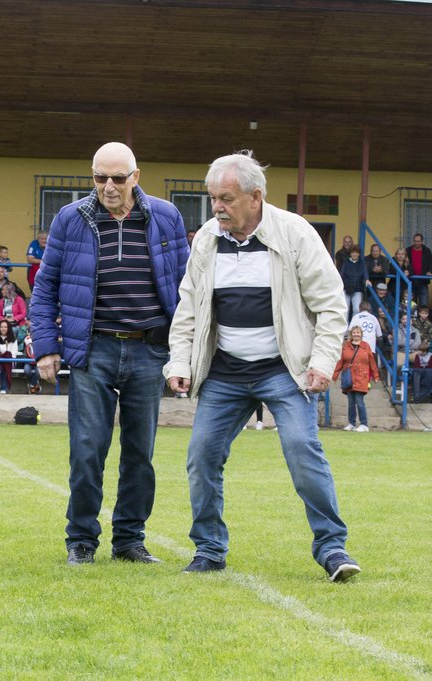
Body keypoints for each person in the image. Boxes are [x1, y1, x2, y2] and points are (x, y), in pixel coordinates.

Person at [164, 150, 361, 582]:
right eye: (213, 197)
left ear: (256, 197)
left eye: (227, 198)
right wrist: (179, 360)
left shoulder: (296, 234)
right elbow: (189, 309)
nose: (217, 207)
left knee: (301, 450)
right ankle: (209, 550)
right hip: (225, 371)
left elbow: (330, 307)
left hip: (284, 370)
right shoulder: (205, 241)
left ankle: (332, 549)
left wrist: (322, 362)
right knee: (201, 456)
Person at [31, 141, 188, 567]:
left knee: (141, 453)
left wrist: (185, 350)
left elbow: (186, 285)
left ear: (136, 177)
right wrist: (46, 347)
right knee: (87, 449)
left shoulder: (166, 217)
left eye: (119, 177)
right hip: (92, 348)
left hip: (149, 350)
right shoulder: (71, 219)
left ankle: (130, 541)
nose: (109, 186)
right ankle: (81, 540)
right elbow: (45, 287)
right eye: (101, 177)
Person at [332, 325, 379, 432]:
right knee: (350, 402)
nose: (356, 334)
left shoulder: (366, 346)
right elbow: (341, 361)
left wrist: (375, 375)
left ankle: (364, 424)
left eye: (358, 333)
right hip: (349, 377)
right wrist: (335, 375)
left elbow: (372, 361)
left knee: (359, 401)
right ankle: (351, 423)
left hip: (362, 377)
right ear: (351, 334)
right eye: (354, 333)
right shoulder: (346, 346)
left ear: (361, 334)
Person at [339, 245, 368, 322]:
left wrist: (367, 279)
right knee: (346, 309)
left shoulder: (362, 263)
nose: (354, 254)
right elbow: (342, 274)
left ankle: (353, 327)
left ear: (359, 254)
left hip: (358, 289)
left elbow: (365, 272)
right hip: (346, 288)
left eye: (356, 253)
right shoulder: (346, 262)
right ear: (350, 254)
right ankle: (345, 329)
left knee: (356, 309)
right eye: (353, 253)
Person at [0, 318, 18, 394]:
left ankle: (0, 383)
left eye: (5, 327)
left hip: (10, 360)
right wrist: (1, 354)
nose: (3, 329)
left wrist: (3, 354)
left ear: (8, 328)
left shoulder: (13, 339)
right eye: (1, 327)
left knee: (5, 363)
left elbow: (14, 353)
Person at [409, 233, 432, 307]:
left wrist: (430, 271)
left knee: (424, 303)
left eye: (418, 241)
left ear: (422, 241)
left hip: (423, 281)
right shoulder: (408, 250)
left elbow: (431, 263)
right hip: (411, 280)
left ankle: (423, 318)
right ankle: (413, 318)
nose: (416, 243)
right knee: (412, 304)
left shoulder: (427, 251)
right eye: (415, 241)